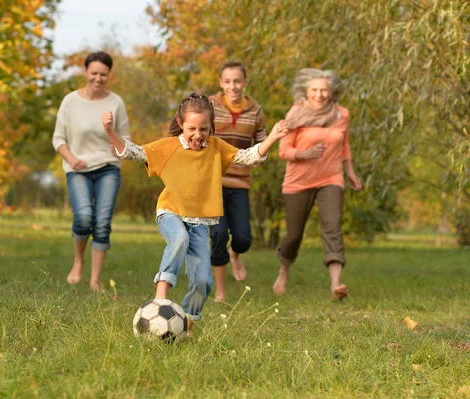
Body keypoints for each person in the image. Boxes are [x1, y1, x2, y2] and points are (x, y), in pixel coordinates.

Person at [102, 93, 288, 330]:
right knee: (179, 238)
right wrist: (111, 132)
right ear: (180, 124)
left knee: (203, 281)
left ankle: (186, 326)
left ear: (212, 127)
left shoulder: (216, 148)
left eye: (204, 129)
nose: (198, 135)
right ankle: (161, 296)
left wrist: (272, 137)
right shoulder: (168, 147)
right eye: (191, 128)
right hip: (170, 212)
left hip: (200, 221)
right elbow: (135, 152)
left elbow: (246, 156)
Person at [272, 68, 362, 300]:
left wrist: (350, 173)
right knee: (294, 234)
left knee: (332, 226)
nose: (320, 94)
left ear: (332, 92)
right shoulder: (296, 113)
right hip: (298, 181)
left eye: (324, 90)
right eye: (314, 90)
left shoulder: (342, 114)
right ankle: (284, 271)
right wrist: (307, 153)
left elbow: (345, 146)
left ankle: (336, 285)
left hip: (331, 178)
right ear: (306, 91)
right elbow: (283, 150)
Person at [52, 51, 130, 291]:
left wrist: (114, 140)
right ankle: (78, 261)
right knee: (84, 217)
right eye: (93, 73)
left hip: (107, 167)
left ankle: (95, 280)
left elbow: (126, 142)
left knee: (103, 222)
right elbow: (58, 139)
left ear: (109, 75)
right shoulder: (70, 101)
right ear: (85, 72)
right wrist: (72, 159)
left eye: (103, 74)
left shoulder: (115, 103)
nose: (98, 78)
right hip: (78, 168)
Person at [209, 61, 267, 302]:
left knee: (243, 238)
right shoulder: (210, 105)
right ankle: (220, 293)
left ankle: (236, 254)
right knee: (219, 234)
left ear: (245, 82)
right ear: (221, 83)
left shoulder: (255, 109)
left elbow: (262, 141)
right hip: (212, 183)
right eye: (227, 81)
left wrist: (261, 155)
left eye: (237, 81)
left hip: (240, 183)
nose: (233, 86)